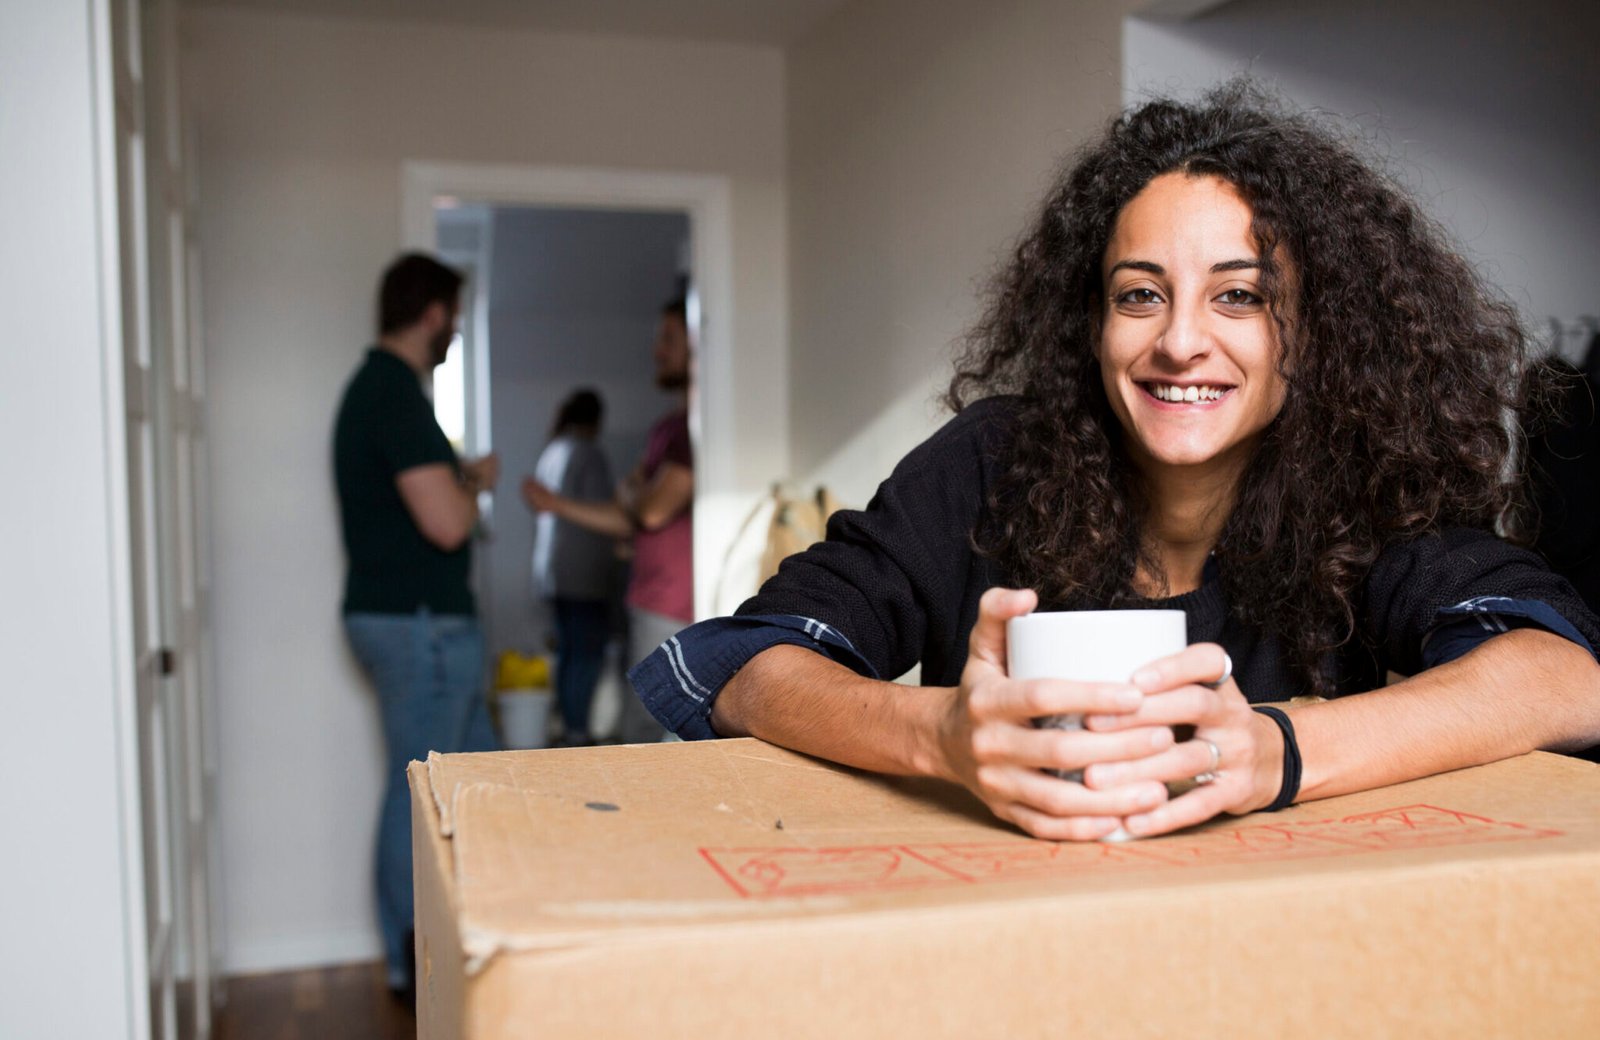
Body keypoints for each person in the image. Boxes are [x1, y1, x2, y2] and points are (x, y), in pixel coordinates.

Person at [631, 84, 1600, 843]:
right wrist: (942, 735)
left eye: (1239, 297)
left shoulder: (1361, 488)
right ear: (1091, 323)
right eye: (1140, 294)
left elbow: (1564, 675)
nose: (1180, 342)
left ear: (1315, 331)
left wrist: (1275, 749)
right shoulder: (991, 463)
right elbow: (743, 665)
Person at [333, 251, 500, 994]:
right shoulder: (394, 396)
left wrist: (460, 479)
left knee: (478, 785)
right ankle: (412, 966)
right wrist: (470, 486)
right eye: (454, 316)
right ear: (431, 312)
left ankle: (463, 946)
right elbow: (445, 524)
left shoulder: (380, 391)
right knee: (426, 795)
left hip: (413, 622)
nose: (455, 331)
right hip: (420, 627)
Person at [523, 298, 694, 743]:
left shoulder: (690, 430)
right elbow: (631, 507)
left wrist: (634, 494)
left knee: (647, 731)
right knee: (631, 721)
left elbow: (647, 508)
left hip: (670, 605)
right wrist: (631, 496)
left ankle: (575, 732)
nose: (657, 349)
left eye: (668, 339)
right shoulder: (664, 431)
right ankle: (577, 733)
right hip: (643, 597)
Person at [529, 389, 615, 746]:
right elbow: (603, 515)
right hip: (582, 573)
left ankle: (568, 727)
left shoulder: (552, 451)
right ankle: (578, 733)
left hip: (553, 571)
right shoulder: (588, 453)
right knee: (585, 654)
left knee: (567, 653)